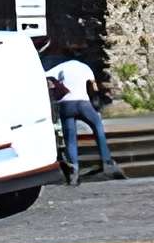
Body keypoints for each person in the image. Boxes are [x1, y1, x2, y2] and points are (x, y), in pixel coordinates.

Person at [42, 43, 117, 182]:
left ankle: (73, 169)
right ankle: (106, 160)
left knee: (70, 137)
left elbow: (45, 75)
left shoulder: (62, 67)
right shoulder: (85, 67)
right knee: (97, 126)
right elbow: (93, 86)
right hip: (83, 103)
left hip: (65, 104)